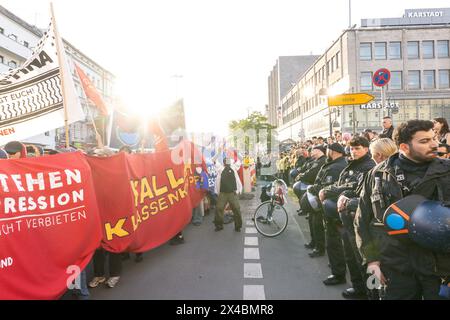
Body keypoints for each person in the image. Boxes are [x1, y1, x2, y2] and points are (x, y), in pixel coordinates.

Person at [355, 120, 450, 300]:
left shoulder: (447, 171)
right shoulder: (377, 175)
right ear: (404, 147)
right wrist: (372, 260)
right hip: (395, 268)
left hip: (440, 269)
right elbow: (362, 219)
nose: (434, 144)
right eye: (424, 141)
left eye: (434, 138)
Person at [319, 137, 375, 298]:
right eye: (351, 148)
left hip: (360, 218)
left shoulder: (368, 166)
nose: (354, 151)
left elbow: (354, 187)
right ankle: (358, 288)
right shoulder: (352, 164)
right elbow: (341, 183)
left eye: (357, 148)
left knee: (365, 259)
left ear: (366, 149)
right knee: (350, 255)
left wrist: (331, 192)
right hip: (345, 216)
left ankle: (369, 292)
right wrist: (330, 190)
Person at [305, 143, 347, 258]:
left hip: (328, 201)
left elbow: (329, 185)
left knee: (328, 232)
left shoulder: (337, 166)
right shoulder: (332, 163)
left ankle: (321, 249)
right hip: (321, 199)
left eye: (328, 149)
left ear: (333, 151)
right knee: (317, 224)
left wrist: (315, 188)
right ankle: (318, 246)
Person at [214, 157, 243, 232]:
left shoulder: (234, 167)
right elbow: (214, 159)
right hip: (223, 193)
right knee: (219, 209)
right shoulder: (220, 168)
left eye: (228, 161)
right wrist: (218, 152)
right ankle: (219, 225)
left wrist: (237, 152)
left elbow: (241, 159)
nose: (227, 163)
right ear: (223, 162)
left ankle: (238, 226)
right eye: (225, 161)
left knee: (236, 209)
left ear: (230, 162)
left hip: (232, 193)